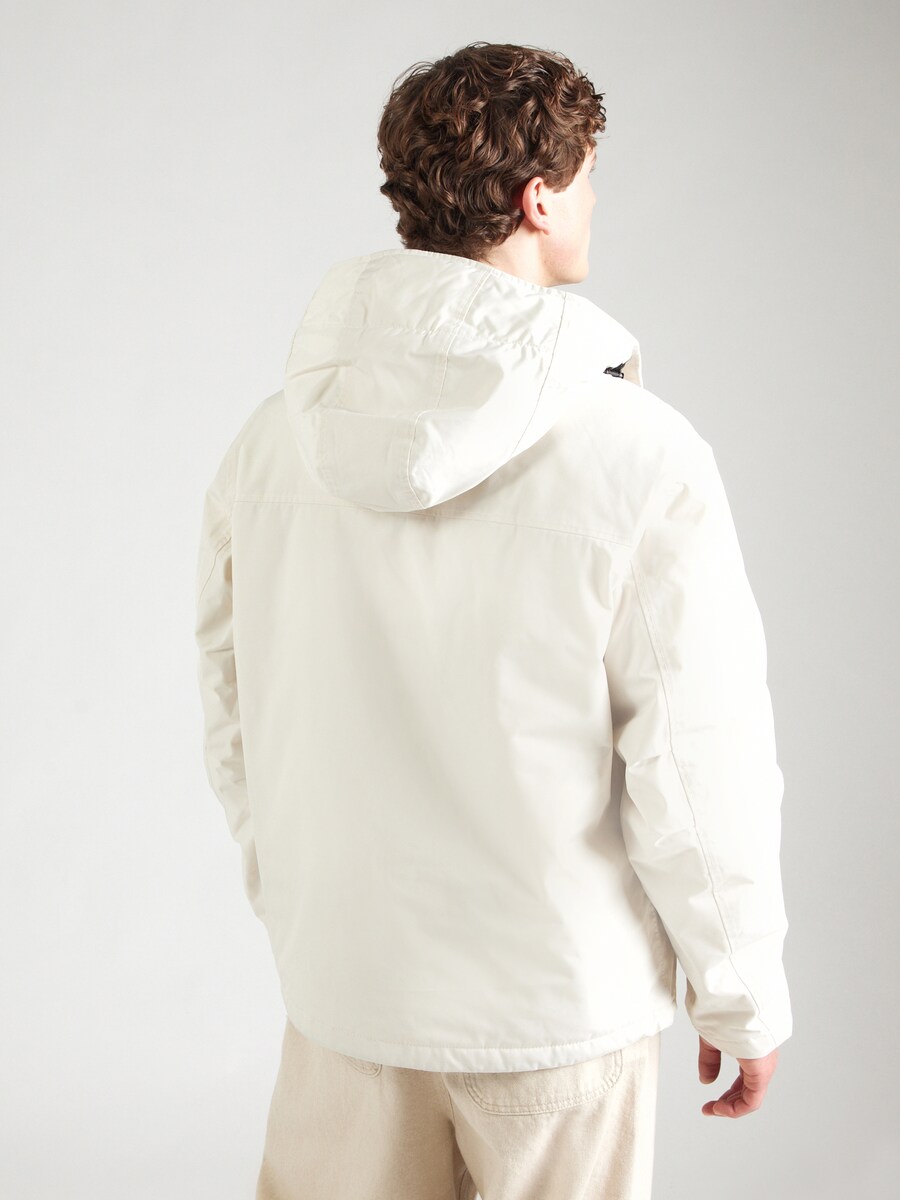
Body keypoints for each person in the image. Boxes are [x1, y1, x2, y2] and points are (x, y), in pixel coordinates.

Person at [194, 40, 792, 1200]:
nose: (596, 199)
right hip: (556, 1013)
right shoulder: (642, 454)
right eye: (587, 175)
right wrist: (741, 992)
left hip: (348, 996)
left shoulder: (271, 445)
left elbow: (236, 715)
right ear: (538, 198)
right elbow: (697, 755)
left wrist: (305, 912)